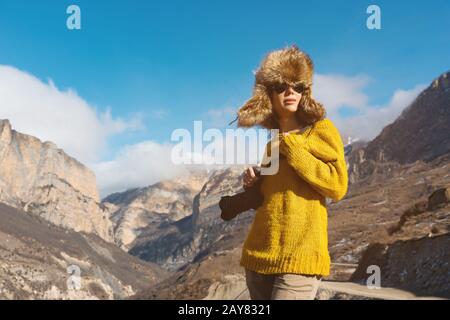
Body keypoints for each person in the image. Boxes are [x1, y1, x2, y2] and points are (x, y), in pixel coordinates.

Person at [234, 45, 349, 300]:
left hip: (301, 259)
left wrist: (293, 147)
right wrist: (253, 185)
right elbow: (268, 199)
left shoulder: (321, 130)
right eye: (281, 86)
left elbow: (338, 186)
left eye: (298, 86)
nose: (290, 92)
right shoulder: (271, 143)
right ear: (268, 94)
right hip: (259, 257)